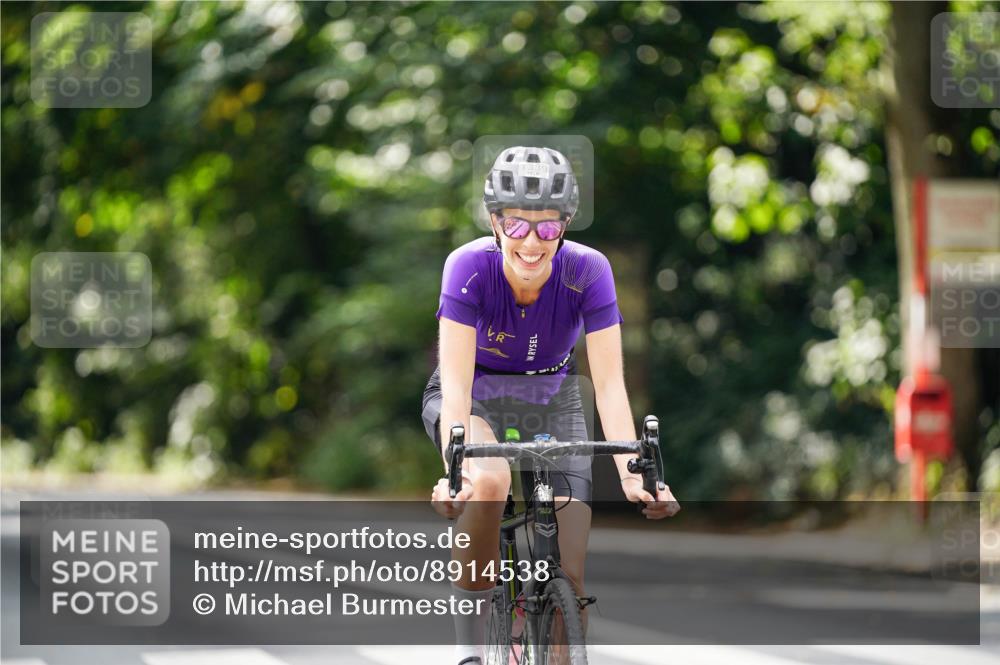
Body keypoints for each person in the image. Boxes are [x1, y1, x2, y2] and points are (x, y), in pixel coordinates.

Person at [422, 146, 680, 665]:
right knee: (490, 480)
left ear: (564, 226)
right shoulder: (467, 268)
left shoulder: (588, 271)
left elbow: (608, 385)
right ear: (495, 222)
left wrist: (635, 476)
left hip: (553, 399)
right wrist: (459, 474)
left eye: (548, 227)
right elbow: (454, 384)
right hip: (476, 397)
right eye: (517, 226)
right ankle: (468, 650)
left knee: (571, 570)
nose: (532, 242)